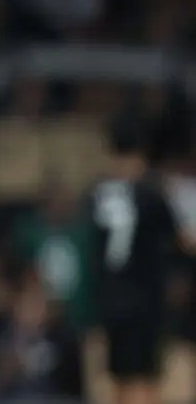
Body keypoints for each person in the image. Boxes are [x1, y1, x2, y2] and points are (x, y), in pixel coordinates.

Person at [85, 113, 188, 404]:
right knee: (144, 381)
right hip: (144, 300)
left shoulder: (98, 192)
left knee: (118, 378)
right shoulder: (151, 192)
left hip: (109, 300)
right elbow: (179, 240)